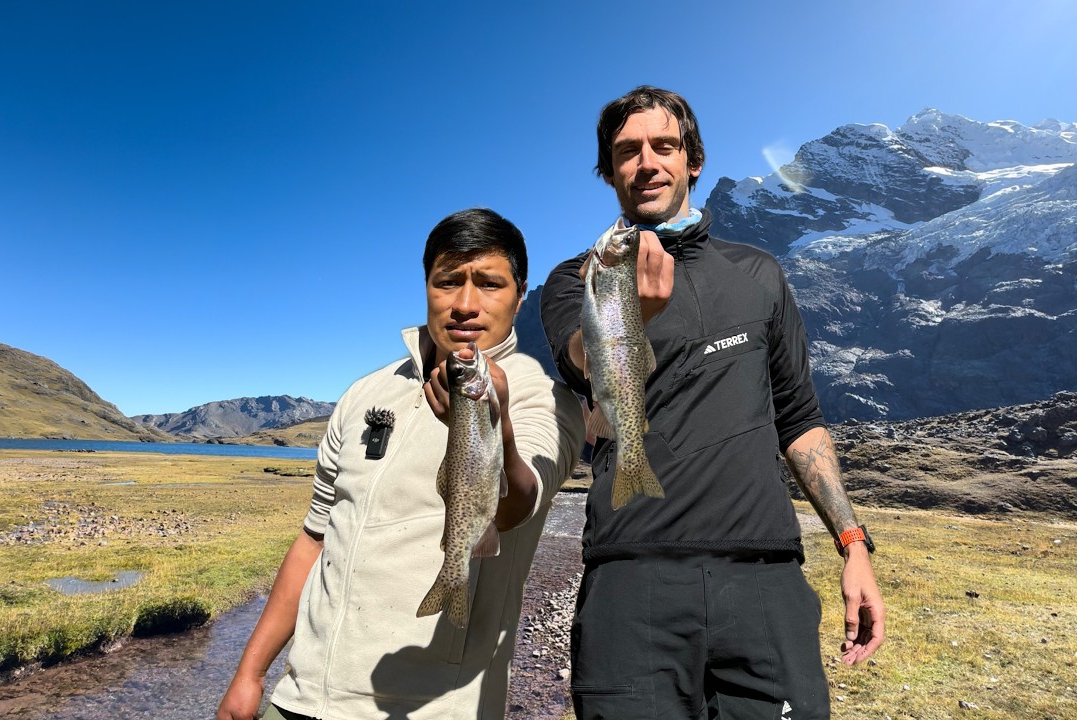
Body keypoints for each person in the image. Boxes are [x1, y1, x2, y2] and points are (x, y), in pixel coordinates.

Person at [539, 86, 886, 719]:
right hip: (630, 572)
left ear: (692, 161)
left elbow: (800, 420)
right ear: (609, 171)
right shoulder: (577, 278)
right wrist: (625, 316)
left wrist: (853, 544)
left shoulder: (758, 273)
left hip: (765, 577)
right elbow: (582, 363)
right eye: (626, 152)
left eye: (663, 146)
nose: (646, 162)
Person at [217, 208, 584, 720]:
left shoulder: (542, 396)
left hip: (430, 710)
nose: (465, 304)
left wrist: (493, 425)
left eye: (490, 283)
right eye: (447, 281)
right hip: (301, 697)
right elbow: (316, 538)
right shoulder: (365, 393)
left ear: (520, 296)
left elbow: (520, 503)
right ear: (426, 287)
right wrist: (250, 673)